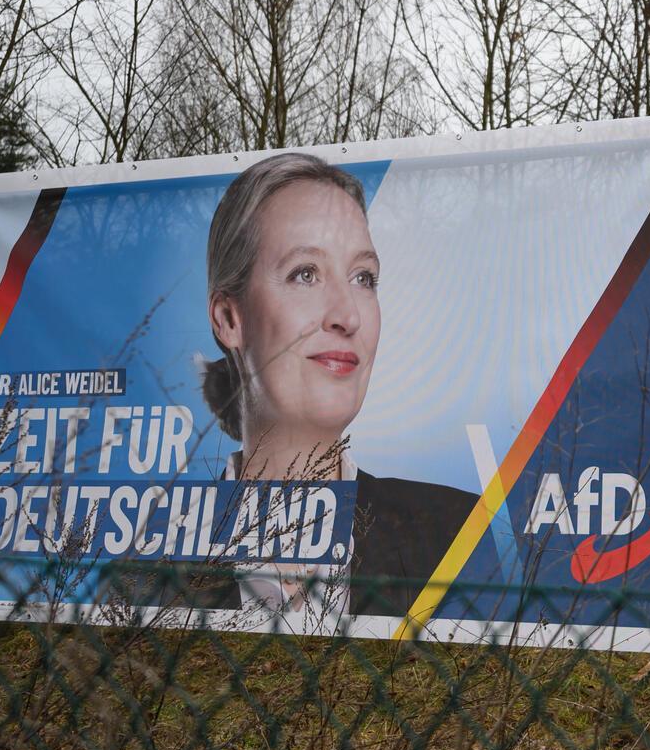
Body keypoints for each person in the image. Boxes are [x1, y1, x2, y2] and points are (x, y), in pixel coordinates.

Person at [183, 151, 474, 619]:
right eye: (305, 273)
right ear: (229, 318)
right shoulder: (148, 569)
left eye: (364, 277)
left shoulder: (461, 537)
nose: (348, 315)